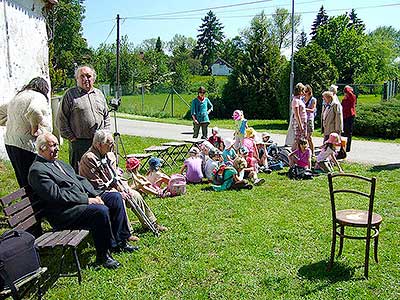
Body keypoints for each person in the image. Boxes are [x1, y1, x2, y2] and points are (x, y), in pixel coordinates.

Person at [28, 133, 137, 270]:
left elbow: (80, 180)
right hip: (64, 213)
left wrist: (97, 195)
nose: (57, 149)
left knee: (114, 197)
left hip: (78, 203)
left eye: (57, 145)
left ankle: (121, 241)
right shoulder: (38, 170)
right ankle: (103, 256)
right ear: (42, 148)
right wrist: (87, 200)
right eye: (53, 145)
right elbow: (57, 196)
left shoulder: (58, 163)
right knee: (100, 211)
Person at [79, 130, 167, 236]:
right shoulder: (89, 159)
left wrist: (124, 187)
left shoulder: (109, 155)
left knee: (135, 195)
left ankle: (151, 223)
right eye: (109, 144)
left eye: (113, 144)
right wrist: (117, 191)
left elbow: (116, 175)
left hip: (113, 187)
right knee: (119, 198)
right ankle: (127, 232)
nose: (112, 147)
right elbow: (95, 185)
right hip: (99, 193)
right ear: (99, 145)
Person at [56, 65, 111, 173]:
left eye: (88, 76)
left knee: (100, 170)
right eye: (82, 76)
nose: (86, 79)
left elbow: (106, 116)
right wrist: (71, 137)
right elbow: (61, 119)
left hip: (99, 142)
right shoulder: (70, 95)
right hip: (80, 142)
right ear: (77, 79)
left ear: (93, 78)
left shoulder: (99, 94)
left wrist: (106, 134)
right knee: (80, 172)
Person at [4, 77, 51, 187]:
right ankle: (36, 203)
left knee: (22, 178)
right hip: (26, 144)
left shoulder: (18, 96)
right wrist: (34, 128)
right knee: (34, 178)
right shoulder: (38, 96)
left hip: (10, 142)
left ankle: (27, 202)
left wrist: (13, 123)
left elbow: (2, 110)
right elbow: (34, 110)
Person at [291, 83, 307, 151]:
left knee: (301, 139)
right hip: (298, 123)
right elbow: (297, 115)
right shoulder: (295, 100)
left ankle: (299, 155)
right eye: (303, 91)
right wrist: (301, 126)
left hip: (303, 122)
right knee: (298, 139)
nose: (304, 93)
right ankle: (292, 153)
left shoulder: (300, 100)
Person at [342, 85, 357, 152]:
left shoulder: (352, 97)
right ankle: (343, 146)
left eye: (346, 92)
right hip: (344, 116)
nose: (345, 93)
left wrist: (347, 88)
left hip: (350, 116)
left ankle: (348, 147)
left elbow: (349, 92)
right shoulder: (344, 99)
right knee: (344, 132)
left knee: (349, 133)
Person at [303, 84, 317, 156]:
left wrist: (304, 109)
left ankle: (313, 152)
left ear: (309, 91)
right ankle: (305, 152)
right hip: (303, 119)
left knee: (309, 137)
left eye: (305, 91)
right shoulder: (302, 99)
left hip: (309, 119)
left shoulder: (313, 99)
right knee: (303, 137)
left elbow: (312, 110)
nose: (304, 93)